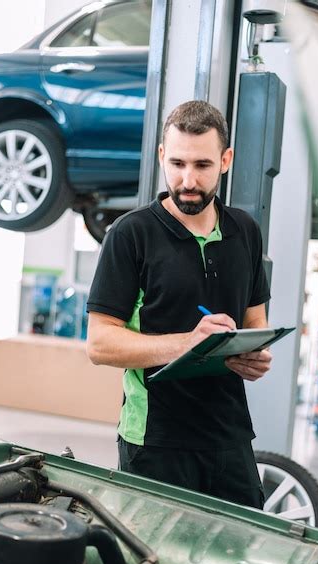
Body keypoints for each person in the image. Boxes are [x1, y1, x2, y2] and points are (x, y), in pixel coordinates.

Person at [86, 100, 272, 508]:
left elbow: (255, 323)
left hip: (231, 438)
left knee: (240, 559)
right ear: (160, 157)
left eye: (202, 166)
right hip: (155, 443)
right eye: (177, 164)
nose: (188, 180)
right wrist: (190, 342)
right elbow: (100, 345)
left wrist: (254, 356)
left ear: (225, 160)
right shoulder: (131, 235)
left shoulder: (246, 231)